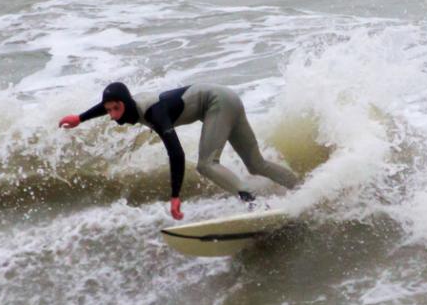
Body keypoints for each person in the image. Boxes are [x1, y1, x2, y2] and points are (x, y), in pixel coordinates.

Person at [58, 82, 298, 220]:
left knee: (206, 165)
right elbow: (105, 104)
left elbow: (176, 154)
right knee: (256, 164)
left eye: (114, 110)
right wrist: (79, 118)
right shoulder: (130, 104)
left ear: (125, 104)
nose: (111, 115)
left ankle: (253, 203)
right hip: (228, 98)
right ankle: (300, 187)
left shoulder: (154, 112)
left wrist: (175, 196)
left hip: (217, 103)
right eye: (109, 110)